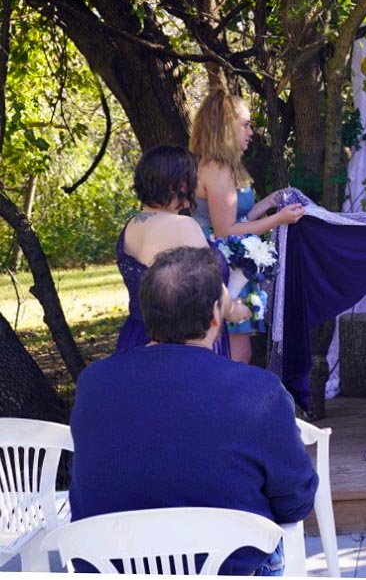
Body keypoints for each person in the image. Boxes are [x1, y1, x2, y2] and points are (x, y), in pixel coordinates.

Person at [70, 247, 318, 576]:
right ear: (216, 316)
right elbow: (296, 501)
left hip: (112, 569)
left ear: (146, 312)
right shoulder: (258, 392)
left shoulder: (93, 384)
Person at [189, 90, 305, 364]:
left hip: (231, 262)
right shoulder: (217, 168)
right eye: (245, 124)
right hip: (221, 269)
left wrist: (268, 203)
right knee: (236, 355)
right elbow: (225, 231)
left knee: (238, 351)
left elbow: (238, 219)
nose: (251, 132)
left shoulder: (222, 166)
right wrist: (278, 219)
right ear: (226, 127)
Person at [115, 145, 249, 359]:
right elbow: (212, 288)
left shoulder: (131, 225)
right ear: (177, 184)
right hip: (183, 347)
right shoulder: (182, 226)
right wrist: (237, 311)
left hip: (135, 338)